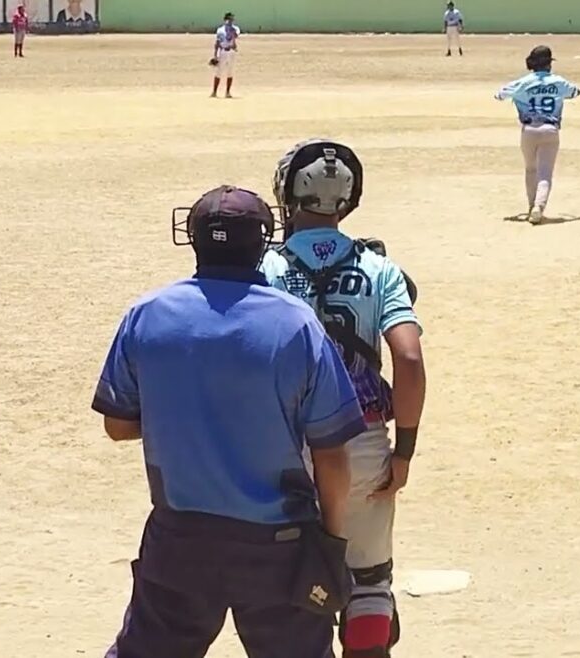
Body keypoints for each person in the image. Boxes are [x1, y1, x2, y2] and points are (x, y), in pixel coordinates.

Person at [95, 184, 368, 658]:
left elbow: (117, 426)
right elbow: (331, 455)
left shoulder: (147, 314)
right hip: (278, 542)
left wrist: (184, 416)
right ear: (263, 241)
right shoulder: (297, 324)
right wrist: (332, 539)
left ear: (192, 237)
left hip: (180, 537)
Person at [260, 139, 427, 658]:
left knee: (290, 578)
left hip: (283, 442)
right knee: (370, 579)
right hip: (362, 435)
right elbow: (408, 358)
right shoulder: (378, 268)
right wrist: (404, 452)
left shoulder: (264, 268)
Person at [495, 45, 580, 224]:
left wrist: (521, 97)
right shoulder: (558, 82)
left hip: (529, 130)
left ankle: (531, 206)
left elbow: (499, 95)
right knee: (545, 173)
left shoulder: (523, 82)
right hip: (550, 129)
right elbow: (575, 92)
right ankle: (539, 207)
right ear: (549, 64)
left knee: (530, 169)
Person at [210, 12, 240, 99]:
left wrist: (232, 32)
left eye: (231, 19)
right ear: (225, 20)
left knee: (230, 72)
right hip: (222, 51)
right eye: (229, 19)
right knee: (218, 72)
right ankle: (214, 92)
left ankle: (227, 92)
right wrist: (215, 55)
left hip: (231, 51)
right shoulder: (220, 30)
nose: (230, 21)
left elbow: (235, 36)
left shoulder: (235, 29)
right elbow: (217, 43)